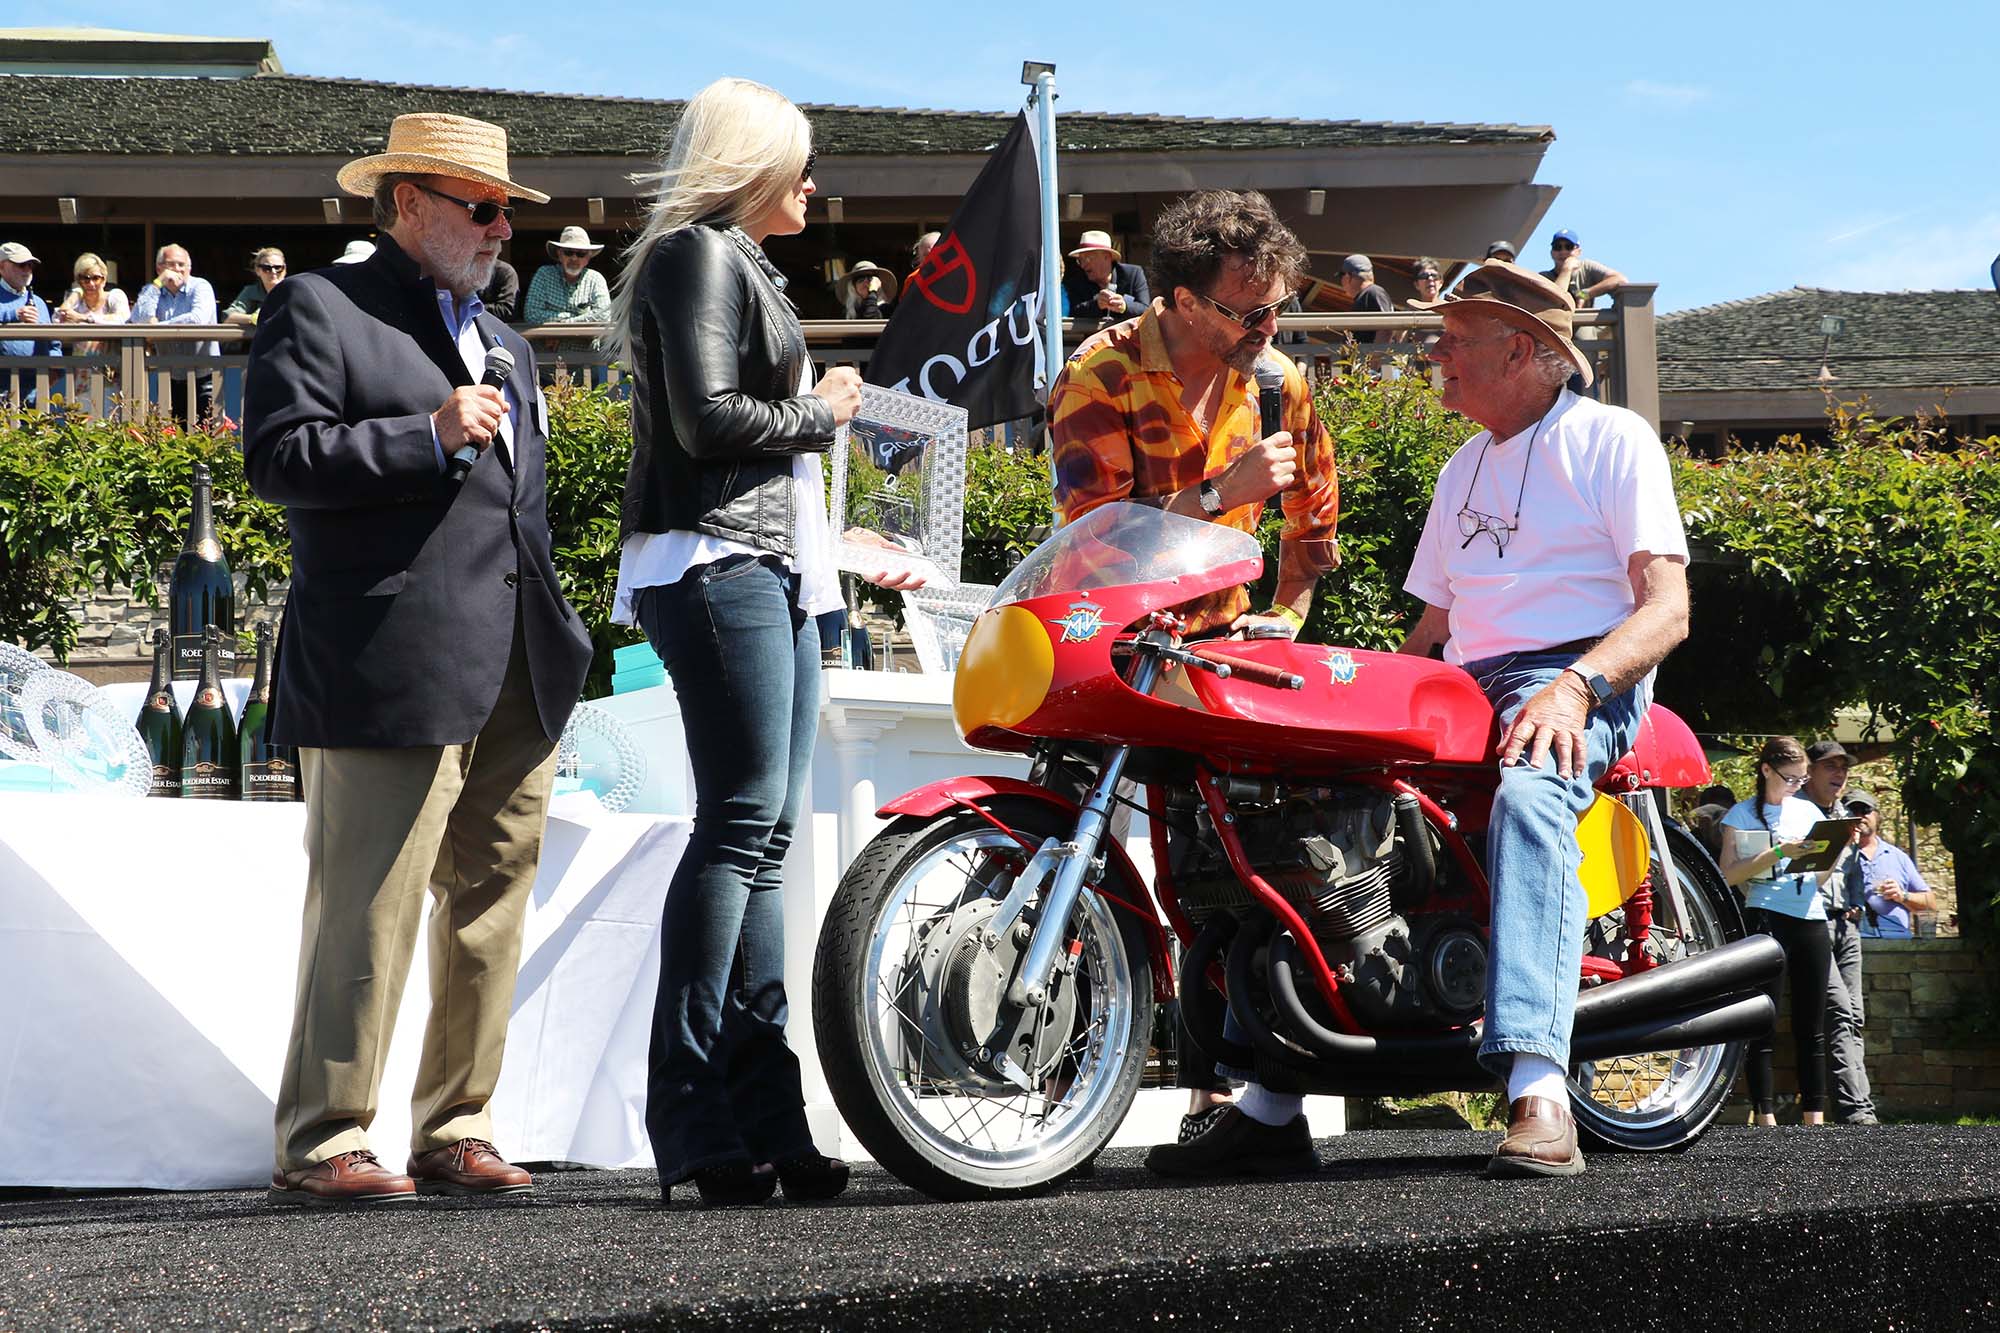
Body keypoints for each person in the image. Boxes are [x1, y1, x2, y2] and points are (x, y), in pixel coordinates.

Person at [243, 111, 593, 1208]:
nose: (501, 230)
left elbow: (518, 512)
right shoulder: (321, 304)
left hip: (516, 661)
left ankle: (457, 1123)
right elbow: (279, 458)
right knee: (369, 904)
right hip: (386, 658)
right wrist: (427, 434)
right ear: (407, 203)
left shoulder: (509, 343)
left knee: (491, 903)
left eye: (505, 212)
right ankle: (325, 1134)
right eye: (480, 208)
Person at [607, 76, 920, 1209]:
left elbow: (732, 433)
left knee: (761, 836)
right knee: (743, 828)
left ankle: (762, 1120)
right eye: (802, 163)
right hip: (714, 561)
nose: (815, 184)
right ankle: (697, 1115)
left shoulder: (730, 260)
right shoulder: (699, 254)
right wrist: (825, 411)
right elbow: (708, 420)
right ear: (753, 164)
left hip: (761, 562)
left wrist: (833, 518)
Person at [1046, 188, 1339, 1170]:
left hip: (1230, 658)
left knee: (1247, 877)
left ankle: (1242, 1099)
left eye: (1277, 307)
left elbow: (1314, 525)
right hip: (1123, 649)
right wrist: (1218, 496)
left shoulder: (1280, 382)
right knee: (1107, 864)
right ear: (1177, 299)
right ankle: (1075, 1083)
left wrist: (1286, 613)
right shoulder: (1100, 374)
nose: (1268, 328)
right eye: (1247, 310)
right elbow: (1095, 549)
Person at [1389, 260, 1689, 1178]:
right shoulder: (1460, 467)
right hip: (1466, 679)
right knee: (1326, 793)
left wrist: (1575, 687)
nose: (1434, 353)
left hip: (1579, 668)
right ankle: (1272, 1090)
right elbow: (1430, 632)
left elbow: (1668, 608)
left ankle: (1540, 1088)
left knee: (1530, 791)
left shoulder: (1613, 438)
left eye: (1454, 339)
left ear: (1521, 350)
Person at [1717, 738, 1837, 1128]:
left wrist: (1832, 851)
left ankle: (1815, 1116)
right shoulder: (1740, 815)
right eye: (1790, 779)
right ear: (1766, 770)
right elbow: (1728, 875)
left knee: (1812, 1023)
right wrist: (1780, 852)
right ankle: (1764, 1115)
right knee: (1763, 1019)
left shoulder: (1808, 811)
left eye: (1802, 780)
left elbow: (1819, 879)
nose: (1796, 786)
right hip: (1766, 916)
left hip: (1811, 916)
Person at [1803, 737, 1878, 1123]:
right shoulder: (1797, 815)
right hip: (1811, 922)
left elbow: (1854, 871)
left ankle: (1858, 1106)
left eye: (1844, 767)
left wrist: (1858, 903)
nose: (1840, 774)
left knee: (1855, 1016)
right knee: (1839, 1011)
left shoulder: (1848, 815)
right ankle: (1856, 1111)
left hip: (1846, 925)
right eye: (1830, 766)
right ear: (1810, 771)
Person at [130, 243, 219, 422]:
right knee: (172, 432)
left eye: (181, 264)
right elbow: (138, 321)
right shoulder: (151, 290)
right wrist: (157, 284)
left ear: (189, 268)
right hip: (169, 376)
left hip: (204, 375)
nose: (177, 269)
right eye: (171, 264)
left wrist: (157, 327)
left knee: (208, 431)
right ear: (159, 268)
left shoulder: (200, 286)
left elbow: (197, 319)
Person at [1846, 790, 1934, 938]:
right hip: (1852, 942)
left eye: (1865, 810)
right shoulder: (1836, 856)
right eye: (1853, 811)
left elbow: (1930, 905)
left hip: (1896, 944)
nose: (1860, 816)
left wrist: (1902, 896)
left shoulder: (1897, 857)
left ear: (1877, 815)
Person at [1061, 230, 1151, 331]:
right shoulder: (1077, 282)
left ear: (1107, 257)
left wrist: (1124, 306)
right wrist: (1097, 304)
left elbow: (1145, 309)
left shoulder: (1133, 274)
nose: (1083, 265)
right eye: (1080, 260)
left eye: (1088, 258)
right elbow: (1073, 312)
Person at [521, 226, 611, 326]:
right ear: (559, 254)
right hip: (549, 336)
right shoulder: (544, 275)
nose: (574, 258)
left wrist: (570, 321)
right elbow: (531, 314)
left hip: (588, 337)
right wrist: (574, 317)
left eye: (581, 254)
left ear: (588, 258)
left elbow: (604, 315)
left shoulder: (596, 279)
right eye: (568, 252)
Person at [0, 241, 60, 362]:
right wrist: (14, 315)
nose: (27, 270)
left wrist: (57, 367)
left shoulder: (39, 302)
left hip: (39, 373)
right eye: (21, 264)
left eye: (30, 265)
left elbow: (53, 344)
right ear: (1, 267)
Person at [1540, 229, 1627, 310]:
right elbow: (1556, 300)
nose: (1563, 251)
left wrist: (1585, 294)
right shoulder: (1544, 277)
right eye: (1557, 247)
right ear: (1552, 253)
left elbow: (1619, 279)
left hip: (1584, 320)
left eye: (1568, 247)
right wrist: (1566, 270)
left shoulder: (1587, 267)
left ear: (1578, 251)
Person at [1338, 254, 1394, 344]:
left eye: (1341, 276)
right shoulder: (1367, 295)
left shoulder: (1374, 292)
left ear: (1348, 276)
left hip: (1369, 352)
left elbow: (1386, 327)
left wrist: (1376, 352)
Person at [222, 248, 287, 326]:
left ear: (285, 269)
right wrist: (253, 318)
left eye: (278, 268)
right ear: (257, 270)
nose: (273, 272)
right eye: (267, 268)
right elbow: (227, 317)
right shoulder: (251, 291)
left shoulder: (295, 290)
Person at [833, 260, 897, 318]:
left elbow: (871, 318)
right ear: (854, 287)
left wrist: (873, 291)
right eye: (861, 279)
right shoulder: (848, 312)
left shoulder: (886, 309)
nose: (865, 282)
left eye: (870, 279)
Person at [480, 256, 519, 321]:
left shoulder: (505, 272)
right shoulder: (465, 272)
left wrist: (475, 308)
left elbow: (507, 310)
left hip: (497, 324)